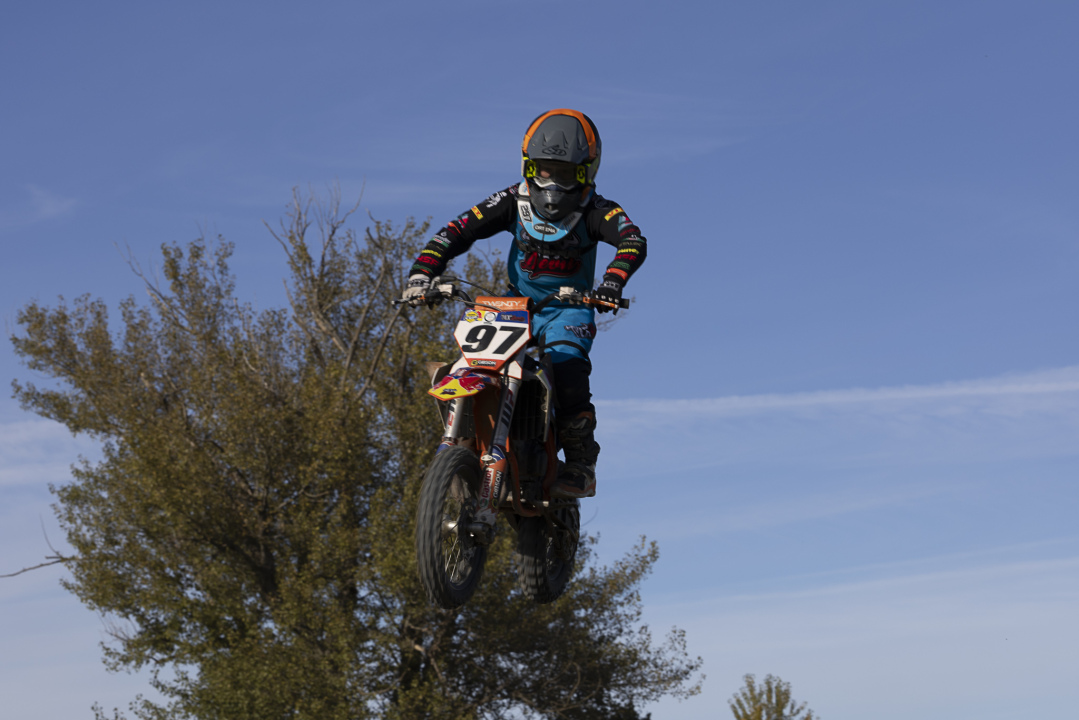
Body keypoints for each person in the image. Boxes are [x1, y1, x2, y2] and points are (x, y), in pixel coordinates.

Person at [402, 109, 647, 499]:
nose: (551, 182)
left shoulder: (598, 209)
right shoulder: (510, 200)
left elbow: (632, 240)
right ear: (528, 166)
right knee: (468, 362)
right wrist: (422, 273)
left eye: (564, 173)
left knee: (567, 368)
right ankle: (464, 445)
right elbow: (457, 230)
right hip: (512, 306)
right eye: (543, 170)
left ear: (586, 172)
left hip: (568, 307)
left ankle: (581, 464)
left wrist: (612, 282)